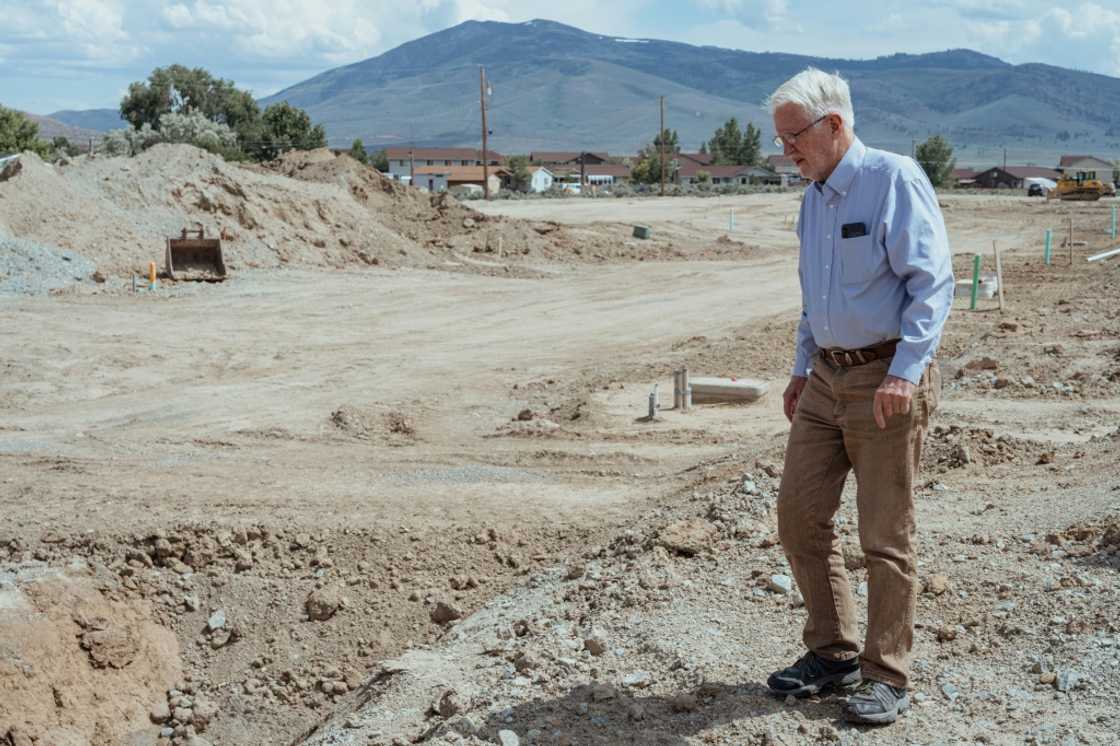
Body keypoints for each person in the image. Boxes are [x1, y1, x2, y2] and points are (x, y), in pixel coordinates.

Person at [763, 68, 954, 725]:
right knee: (798, 517)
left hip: (884, 379)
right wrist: (800, 369)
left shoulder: (892, 179)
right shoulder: (813, 197)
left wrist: (905, 373)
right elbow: (812, 297)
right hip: (825, 378)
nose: (786, 149)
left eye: (793, 136)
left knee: (884, 536)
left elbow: (931, 283)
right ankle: (833, 652)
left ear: (835, 125)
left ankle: (887, 674)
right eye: (781, 139)